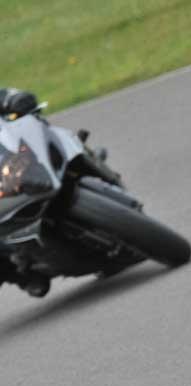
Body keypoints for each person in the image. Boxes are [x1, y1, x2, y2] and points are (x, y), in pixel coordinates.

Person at [1, 87, 122, 295]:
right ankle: (23, 275)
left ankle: (86, 163)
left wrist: (13, 100)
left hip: (13, 159)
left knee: (40, 130)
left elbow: (7, 98)